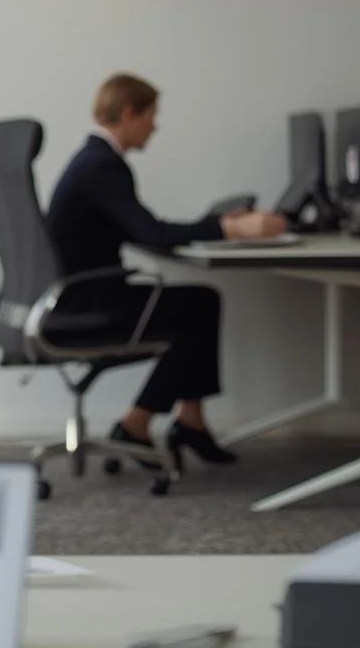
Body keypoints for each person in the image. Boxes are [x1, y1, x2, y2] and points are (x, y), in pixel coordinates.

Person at [45, 73, 287, 470]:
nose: (155, 127)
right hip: (87, 304)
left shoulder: (93, 161)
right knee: (200, 305)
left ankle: (187, 420)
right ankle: (139, 422)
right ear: (129, 113)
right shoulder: (102, 166)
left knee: (196, 304)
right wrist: (230, 228)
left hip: (78, 297)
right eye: (151, 117)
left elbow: (141, 229)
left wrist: (214, 225)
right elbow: (152, 233)